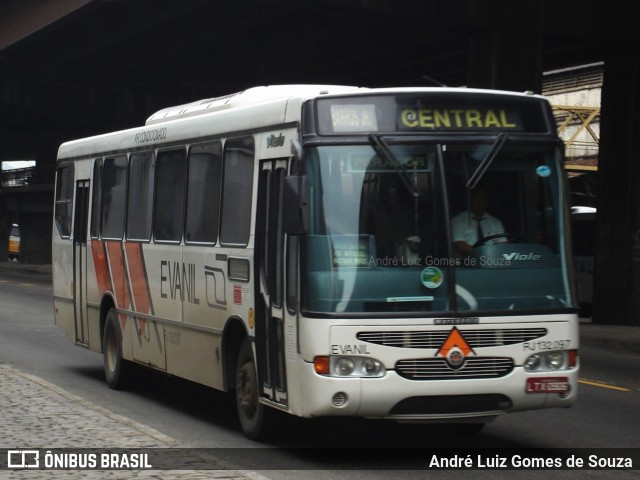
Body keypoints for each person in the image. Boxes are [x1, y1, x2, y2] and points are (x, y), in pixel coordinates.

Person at [451, 186, 504, 255]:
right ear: (470, 199)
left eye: (484, 197)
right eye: (477, 197)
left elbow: (503, 246)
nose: (480, 201)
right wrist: (485, 254)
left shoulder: (496, 223)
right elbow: (460, 246)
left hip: (492, 262)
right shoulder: (458, 220)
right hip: (466, 263)